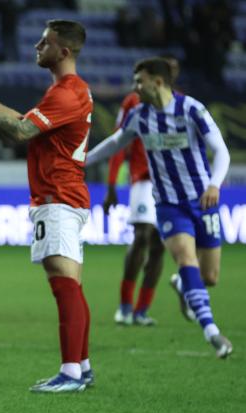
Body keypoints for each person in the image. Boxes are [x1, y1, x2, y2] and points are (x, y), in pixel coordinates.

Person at [0, 20, 93, 393]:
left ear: (63, 51)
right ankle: (83, 366)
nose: (36, 46)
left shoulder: (65, 93)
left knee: (64, 285)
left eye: (44, 42)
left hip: (58, 197)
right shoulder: (69, 91)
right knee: (72, 284)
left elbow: (19, 133)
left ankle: (71, 373)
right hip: (66, 195)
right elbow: (24, 122)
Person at [86, 57, 232, 358]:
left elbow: (221, 150)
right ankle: (212, 332)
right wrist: (81, 161)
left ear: (158, 81)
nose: (135, 87)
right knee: (184, 258)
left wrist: (214, 184)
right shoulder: (139, 115)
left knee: (210, 276)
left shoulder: (191, 109)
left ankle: (182, 284)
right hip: (167, 204)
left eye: (139, 81)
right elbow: (115, 143)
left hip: (203, 200)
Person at [102, 57, 180, 327]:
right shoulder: (132, 103)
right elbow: (117, 143)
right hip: (143, 178)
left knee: (160, 245)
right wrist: (111, 186)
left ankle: (141, 309)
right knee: (142, 235)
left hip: (170, 184)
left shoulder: (182, 105)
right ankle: (124, 305)